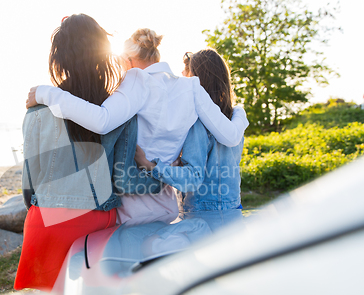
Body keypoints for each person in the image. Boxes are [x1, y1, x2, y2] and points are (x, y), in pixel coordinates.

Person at [26, 28, 249, 226]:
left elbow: (102, 121)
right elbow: (230, 136)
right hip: (166, 200)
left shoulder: (136, 79)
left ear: (128, 60)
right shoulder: (192, 86)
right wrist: (240, 113)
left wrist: (48, 93)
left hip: (130, 202)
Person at [15, 14, 161, 292]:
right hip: (95, 223)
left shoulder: (35, 109)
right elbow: (124, 181)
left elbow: (28, 183)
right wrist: (164, 177)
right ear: (102, 56)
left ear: (58, 60)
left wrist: (44, 208)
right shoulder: (117, 109)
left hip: (44, 221)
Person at [135, 48, 246, 232]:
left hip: (204, 219)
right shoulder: (234, 117)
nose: (181, 76)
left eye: (186, 73)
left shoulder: (198, 123)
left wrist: (151, 166)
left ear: (198, 79)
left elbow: (193, 180)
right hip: (233, 211)